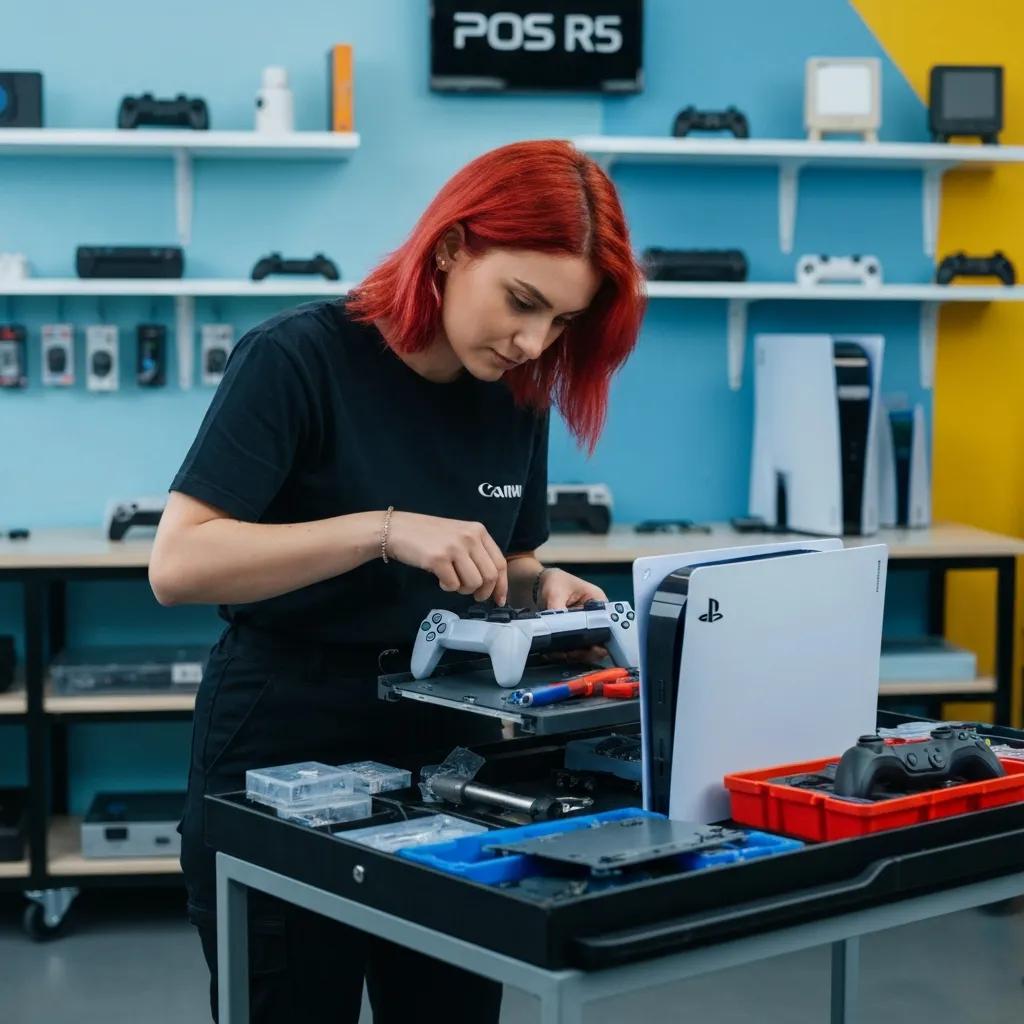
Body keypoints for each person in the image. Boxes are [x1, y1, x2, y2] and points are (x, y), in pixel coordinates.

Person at [149, 138, 645, 1023]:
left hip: (456, 754)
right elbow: (179, 563)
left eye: (561, 323)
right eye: (523, 302)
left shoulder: (516, 392)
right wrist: (382, 531)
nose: (534, 340)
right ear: (451, 247)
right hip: (286, 734)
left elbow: (511, 558)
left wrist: (542, 588)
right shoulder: (296, 358)